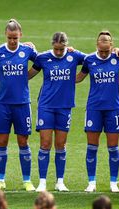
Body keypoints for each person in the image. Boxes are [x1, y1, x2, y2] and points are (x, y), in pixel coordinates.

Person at [0, 19, 38, 191]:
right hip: (3, 104)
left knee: (23, 141)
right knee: (2, 141)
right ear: (6, 35)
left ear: (20, 35)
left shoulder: (27, 51)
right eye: (10, 38)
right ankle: (0, 179)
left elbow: (43, 62)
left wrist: (25, 76)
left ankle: (27, 180)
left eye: (15, 38)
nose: (13, 41)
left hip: (22, 104)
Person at [29, 32, 85, 192]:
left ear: (67, 46)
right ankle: (42, 182)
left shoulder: (74, 56)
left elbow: (95, 59)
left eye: (62, 49)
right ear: (52, 45)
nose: (59, 52)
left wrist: (117, 51)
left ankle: (60, 181)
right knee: (45, 144)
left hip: (65, 106)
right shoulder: (43, 58)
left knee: (61, 144)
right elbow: (29, 74)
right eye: (57, 49)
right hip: (46, 105)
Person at [75, 31, 119, 193]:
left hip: (113, 109)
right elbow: (78, 78)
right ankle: (91, 182)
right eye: (101, 50)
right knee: (92, 146)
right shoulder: (89, 60)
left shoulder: (117, 58)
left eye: (107, 50)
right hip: (94, 108)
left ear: (111, 46)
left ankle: (113, 182)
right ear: (97, 45)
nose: (104, 54)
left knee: (113, 147)